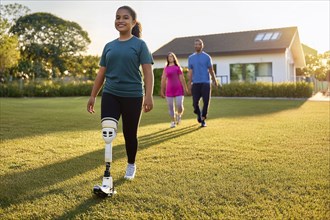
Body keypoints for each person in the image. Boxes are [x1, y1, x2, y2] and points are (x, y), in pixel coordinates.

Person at [87, 5, 154, 181]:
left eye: (125, 17)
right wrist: (93, 95)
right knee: (108, 130)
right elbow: (101, 73)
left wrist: (148, 95)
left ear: (133, 22)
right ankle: (107, 171)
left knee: (129, 133)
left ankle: (131, 164)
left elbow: (148, 72)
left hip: (133, 95)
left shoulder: (140, 45)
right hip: (111, 94)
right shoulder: (109, 46)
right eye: (118, 17)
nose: (120, 20)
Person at [187, 38, 219, 127]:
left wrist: (214, 80)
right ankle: (199, 114)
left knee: (206, 101)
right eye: (196, 44)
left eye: (199, 44)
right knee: (194, 103)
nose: (197, 46)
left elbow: (211, 70)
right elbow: (190, 71)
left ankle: (203, 119)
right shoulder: (191, 58)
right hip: (195, 83)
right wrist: (189, 83)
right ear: (194, 46)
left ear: (202, 46)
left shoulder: (207, 57)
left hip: (206, 82)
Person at [160, 52, 188, 128]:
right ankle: (173, 121)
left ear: (174, 58)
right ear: (167, 58)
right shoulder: (166, 68)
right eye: (169, 57)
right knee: (170, 107)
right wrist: (162, 90)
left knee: (180, 105)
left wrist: (185, 88)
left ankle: (179, 115)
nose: (170, 58)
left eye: (172, 56)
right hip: (169, 90)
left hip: (179, 89)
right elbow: (163, 79)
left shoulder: (178, 68)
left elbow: (182, 79)